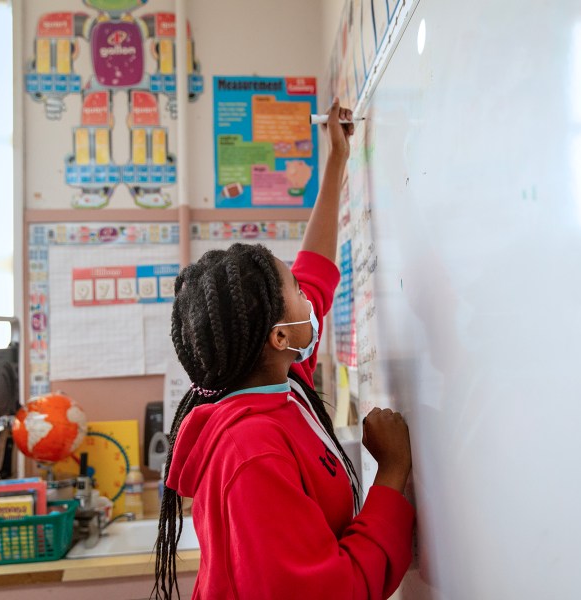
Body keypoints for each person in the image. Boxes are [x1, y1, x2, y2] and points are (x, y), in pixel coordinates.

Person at [153, 99, 415, 600]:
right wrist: (393, 473)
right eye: (292, 287)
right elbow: (329, 591)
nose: (305, 292)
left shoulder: (277, 382)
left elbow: (315, 267)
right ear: (279, 336)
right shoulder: (253, 451)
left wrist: (337, 158)